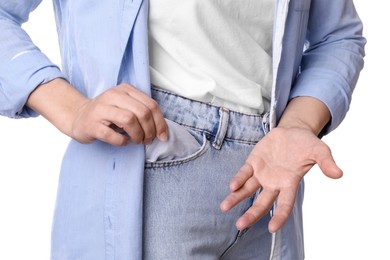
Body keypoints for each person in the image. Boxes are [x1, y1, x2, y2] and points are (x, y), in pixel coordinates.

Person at [0, 0, 365, 259]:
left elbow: (339, 36)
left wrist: (299, 124)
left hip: (272, 174)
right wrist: (69, 106)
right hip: (152, 155)